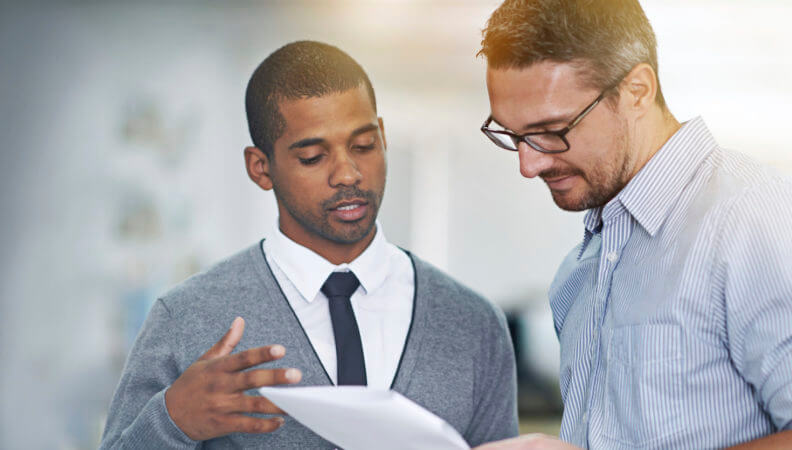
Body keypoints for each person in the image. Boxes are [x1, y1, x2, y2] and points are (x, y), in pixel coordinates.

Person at [474, 1, 792, 449]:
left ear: (637, 91)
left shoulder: (761, 220)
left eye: (552, 129)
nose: (529, 164)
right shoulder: (579, 272)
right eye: (513, 134)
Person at [101, 40, 518, 449]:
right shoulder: (188, 318)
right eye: (314, 157)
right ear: (260, 168)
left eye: (363, 145)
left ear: (384, 137)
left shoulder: (473, 324)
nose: (349, 174)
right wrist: (172, 422)